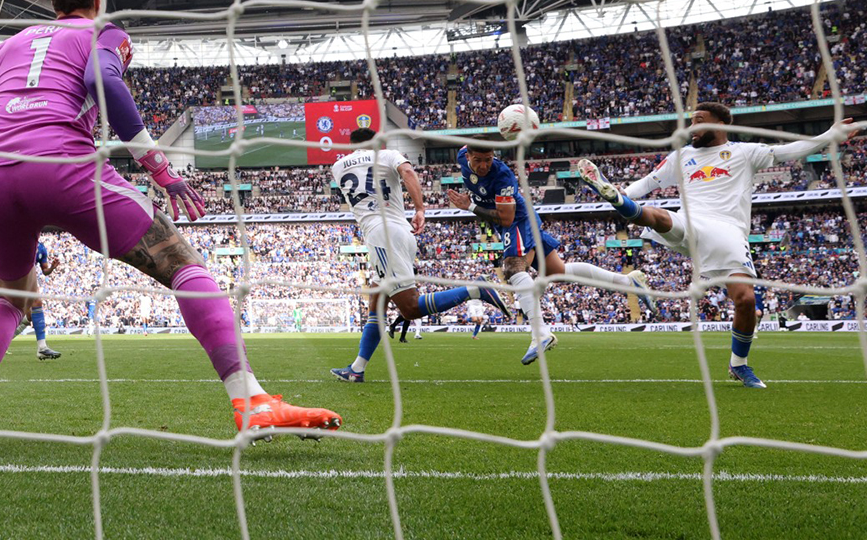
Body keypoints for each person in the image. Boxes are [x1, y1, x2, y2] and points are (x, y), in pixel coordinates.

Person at [0, 0, 340, 440]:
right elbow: (103, 83)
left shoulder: (5, 48)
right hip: (64, 166)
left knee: (8, 299)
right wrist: (160, 170)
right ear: (98, 1)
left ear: (52, 1)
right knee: (185, 266)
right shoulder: (104, 34)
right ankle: (250, 400)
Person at [577, 102, 857, 388]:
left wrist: (828, 135)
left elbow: (788, 151)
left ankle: (739, 365)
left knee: (746, 301)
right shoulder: (681, 156)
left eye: (699, 120)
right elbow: (647, 183)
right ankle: (618, 201)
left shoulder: (744, 153)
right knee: (659, 217)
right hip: (690, 222)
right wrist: (625, 192)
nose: (692, 127)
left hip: (728, 231)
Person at [447, 143, 656, 365]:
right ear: (467, 155)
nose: (483, 165)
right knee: (559, 270)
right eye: (478, 160)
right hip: (503, 223)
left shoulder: (502, 175)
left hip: (517, 219)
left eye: (488, 159)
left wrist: (469, 207)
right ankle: (629, 281)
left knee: (512, 268)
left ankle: (541, 334)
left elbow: (506, 218)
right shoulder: (462, 156)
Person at [330, 128, 510, 383]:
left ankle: (475, 289)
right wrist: (420, 209)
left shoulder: (337, 167)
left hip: (381, 236)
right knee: (377, 300)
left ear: (351, 146)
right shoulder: (389, 154)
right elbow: (407, 172)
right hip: (401, 231)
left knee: (411, 309)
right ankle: (357, 369)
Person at [9, 241, 62, 360]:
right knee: (36, 303)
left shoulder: (41, 248)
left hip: (29, 277)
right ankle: (42, 347)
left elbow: (45, 271)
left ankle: (1, 343)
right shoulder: (19, 241)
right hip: (14, 276)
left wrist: (52, 268)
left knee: (30, 316)